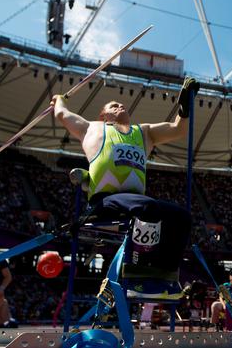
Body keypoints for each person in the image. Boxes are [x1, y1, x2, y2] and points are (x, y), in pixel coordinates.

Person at [50, 78, 198, 298]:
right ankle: (138, 278)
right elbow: (63, 115)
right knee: (147, 208)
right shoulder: (92, 128)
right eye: (113, 105)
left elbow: (178, 129)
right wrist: (60, 100)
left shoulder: (144, 133)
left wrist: (185, 106)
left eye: (122, 104)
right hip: (105, 202)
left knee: (182, 217)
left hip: (134, 203)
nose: (120, 106)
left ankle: (166, 279)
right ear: (104, 115)